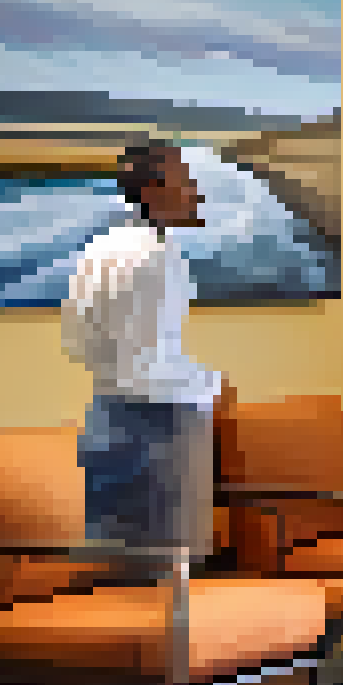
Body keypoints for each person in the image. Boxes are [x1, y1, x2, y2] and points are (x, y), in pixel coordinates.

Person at [64, 140, 223, 562]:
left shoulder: (98, 249)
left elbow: (75, 342)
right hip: (158, 430)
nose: (196, 191)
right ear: (153, 191)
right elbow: (149, 363)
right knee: (168, 575)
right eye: (185, 180)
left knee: (112, 568)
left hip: (105, 419)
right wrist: (214, 387)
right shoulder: (154, 256)